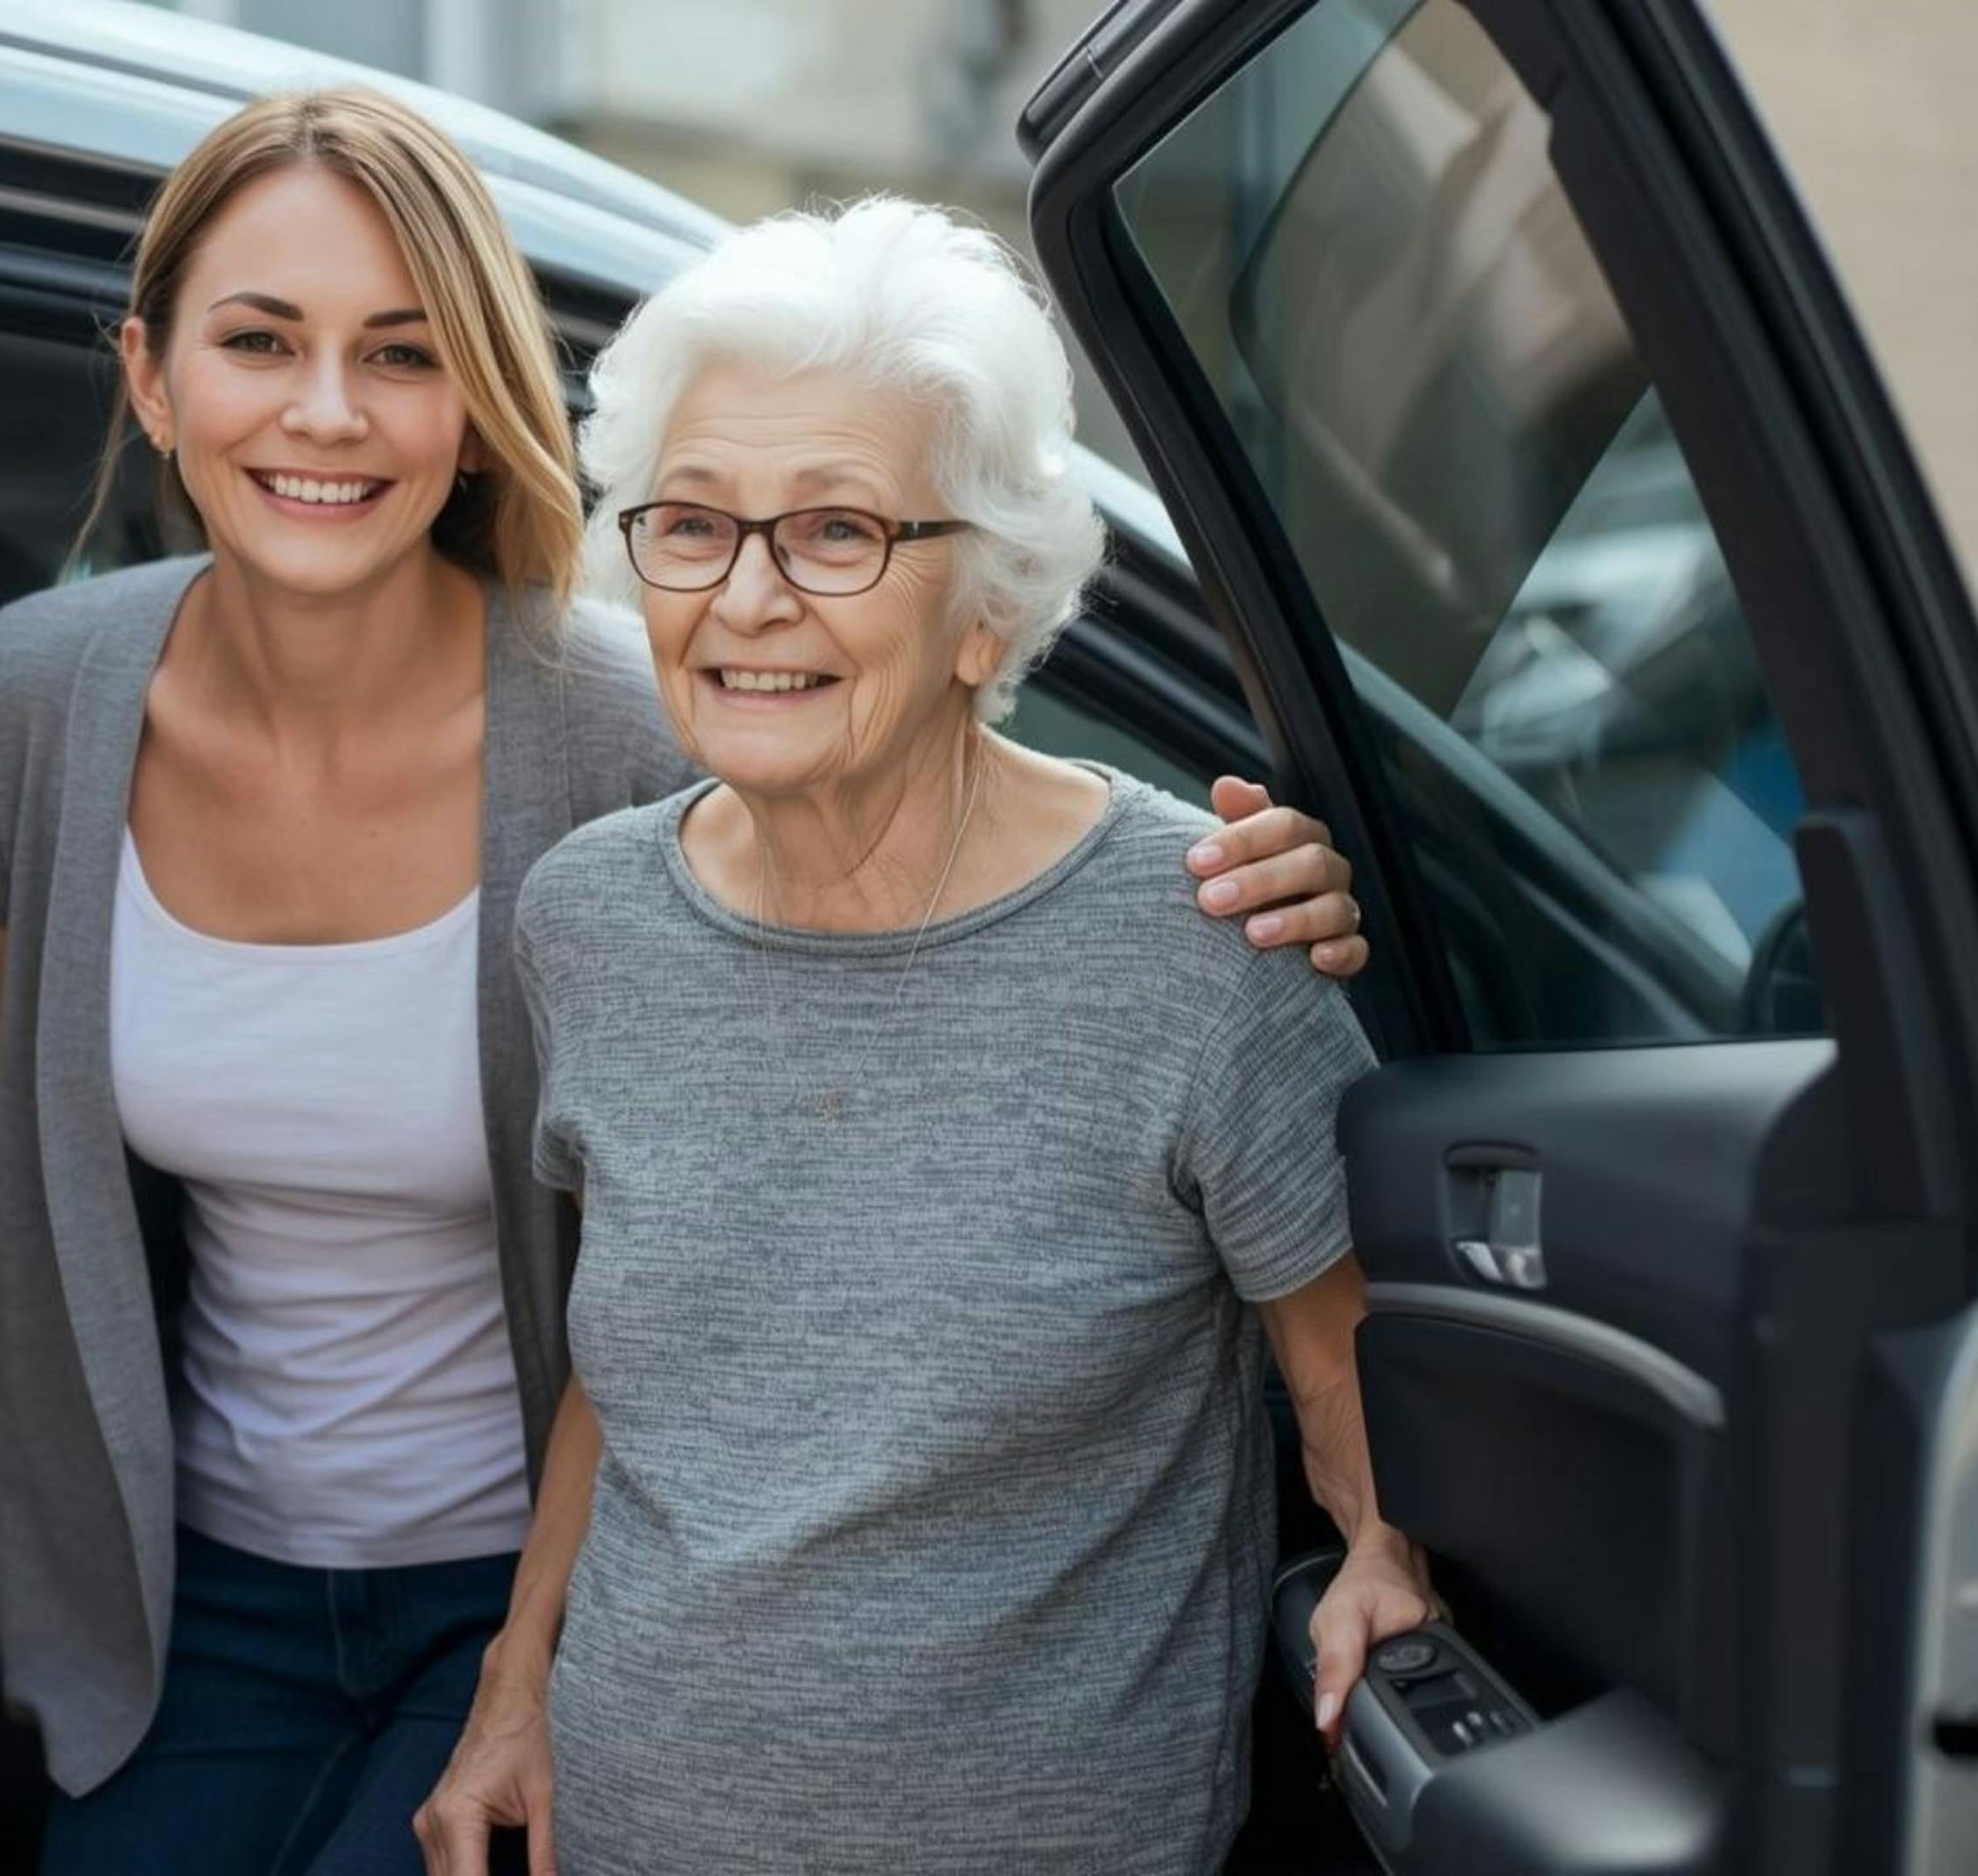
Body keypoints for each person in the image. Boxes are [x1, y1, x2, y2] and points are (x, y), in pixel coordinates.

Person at [0, 91, 1371, 1876]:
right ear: (151, 379)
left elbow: (934, 900)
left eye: (402, 353)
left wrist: (1235, 889)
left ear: (476, 403)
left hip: (568, 1584)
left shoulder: (649, 718)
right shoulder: (60, 700)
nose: (327, 411)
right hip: (203, 1587)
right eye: (260, 341)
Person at [416, 198, 1432, 1876]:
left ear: (988, 607)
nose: (747, 598)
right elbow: (642, 1367)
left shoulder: (1197, 943)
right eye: (694, 523)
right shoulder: (585, 917)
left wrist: (1388, 1553)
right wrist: (516, 1682)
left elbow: (1340, 1363)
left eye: (836, 532)